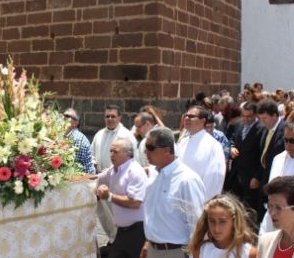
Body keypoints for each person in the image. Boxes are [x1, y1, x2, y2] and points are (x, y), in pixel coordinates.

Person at [140, 127, 206, 258]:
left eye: (150, 147)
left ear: (166, 150)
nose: (145, 151)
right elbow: (154, 215)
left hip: (175, 252)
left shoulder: (187, 180)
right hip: (153, 250)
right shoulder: (154, 174)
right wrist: (148, 242)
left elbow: (197, 224)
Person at [92, 104, 138, 249]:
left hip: (120, 180)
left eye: (113, 116)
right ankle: (113, 240)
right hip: (103, 179)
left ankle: (121, 242)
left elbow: (133, 159)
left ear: (119, 117)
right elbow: (92, 156)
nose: (110, 119)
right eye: (107, 116)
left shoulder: (126, 135)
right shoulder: (99, 134)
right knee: (105, 216)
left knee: (118, 214)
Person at [97, 138, 148, 258]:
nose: (112, 155)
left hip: (137, 232)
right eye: (110, 151)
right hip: (121, 231)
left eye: (116, 152)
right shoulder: (113, 170)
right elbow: (96, 179)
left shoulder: (135, 172)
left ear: (128, 153)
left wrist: (108, 196)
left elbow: (135, 202)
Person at [176, 106, 226, 200]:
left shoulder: (213, 145)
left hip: (198, 200)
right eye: (186, 115)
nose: (187, 118)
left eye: (191, 116)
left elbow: (214, 178)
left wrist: (206, 204)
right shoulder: (183, 142)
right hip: (179, 199)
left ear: (203, 121)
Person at [187, 194, 258, 258]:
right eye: (212, 221)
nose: (216, 229)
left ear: (234, 222)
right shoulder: (200, 250)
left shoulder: (250, 253)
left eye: (222, 222)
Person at [251, 99, 284, 222]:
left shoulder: (284, 130)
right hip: (264, 179)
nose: (262, 122)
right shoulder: (266, 130)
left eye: (265, 118)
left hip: (277, 180)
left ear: (275, 115)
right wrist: (258, 176)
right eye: (260, 118)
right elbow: (264, 156)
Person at [226, 102, 263, 209]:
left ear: (256, 115)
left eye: (249, 117)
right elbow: (232, 139)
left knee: (249, 208)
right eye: (244, 116)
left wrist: (257, 177)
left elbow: (263, 156)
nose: (246, 119)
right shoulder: (239, 125)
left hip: (251, 176)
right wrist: (231, 148)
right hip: (236, 174)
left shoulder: (261, 129)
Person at [63, 108, 95, 174]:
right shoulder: (64, 135)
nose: (63, 118)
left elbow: (72, 165)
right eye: (63, 116)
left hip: (83, 180)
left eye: (67, 116)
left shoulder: (77, 139)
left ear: (76, 123)